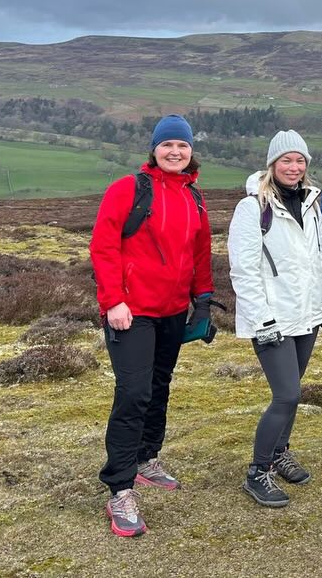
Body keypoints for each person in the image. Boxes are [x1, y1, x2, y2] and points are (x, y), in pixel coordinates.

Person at [89, 114, 214, 537]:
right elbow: (103, 246)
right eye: (167, 145)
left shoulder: (194, 198)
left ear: (191, 152)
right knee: (133, 393)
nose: (175, 152)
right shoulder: (129, 189)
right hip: (132, 312)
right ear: (154, 149)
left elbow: (200, 254)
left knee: (160, 385)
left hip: (173, 312)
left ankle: (147, 459)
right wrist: (113, 301)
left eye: (182, 146)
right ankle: (120, 487)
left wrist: (203, 303)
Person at [228, 130, 322, 508]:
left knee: (292, 394)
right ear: (272, 164)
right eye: (286, 161)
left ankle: (280, 452)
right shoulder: (252, 208)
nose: (293, 168)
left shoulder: (311, 203)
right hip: (273, 319)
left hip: (306, 315)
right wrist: (262, 320)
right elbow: (243, 270)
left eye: (300, 161)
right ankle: (258, 471)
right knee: (287, 394)